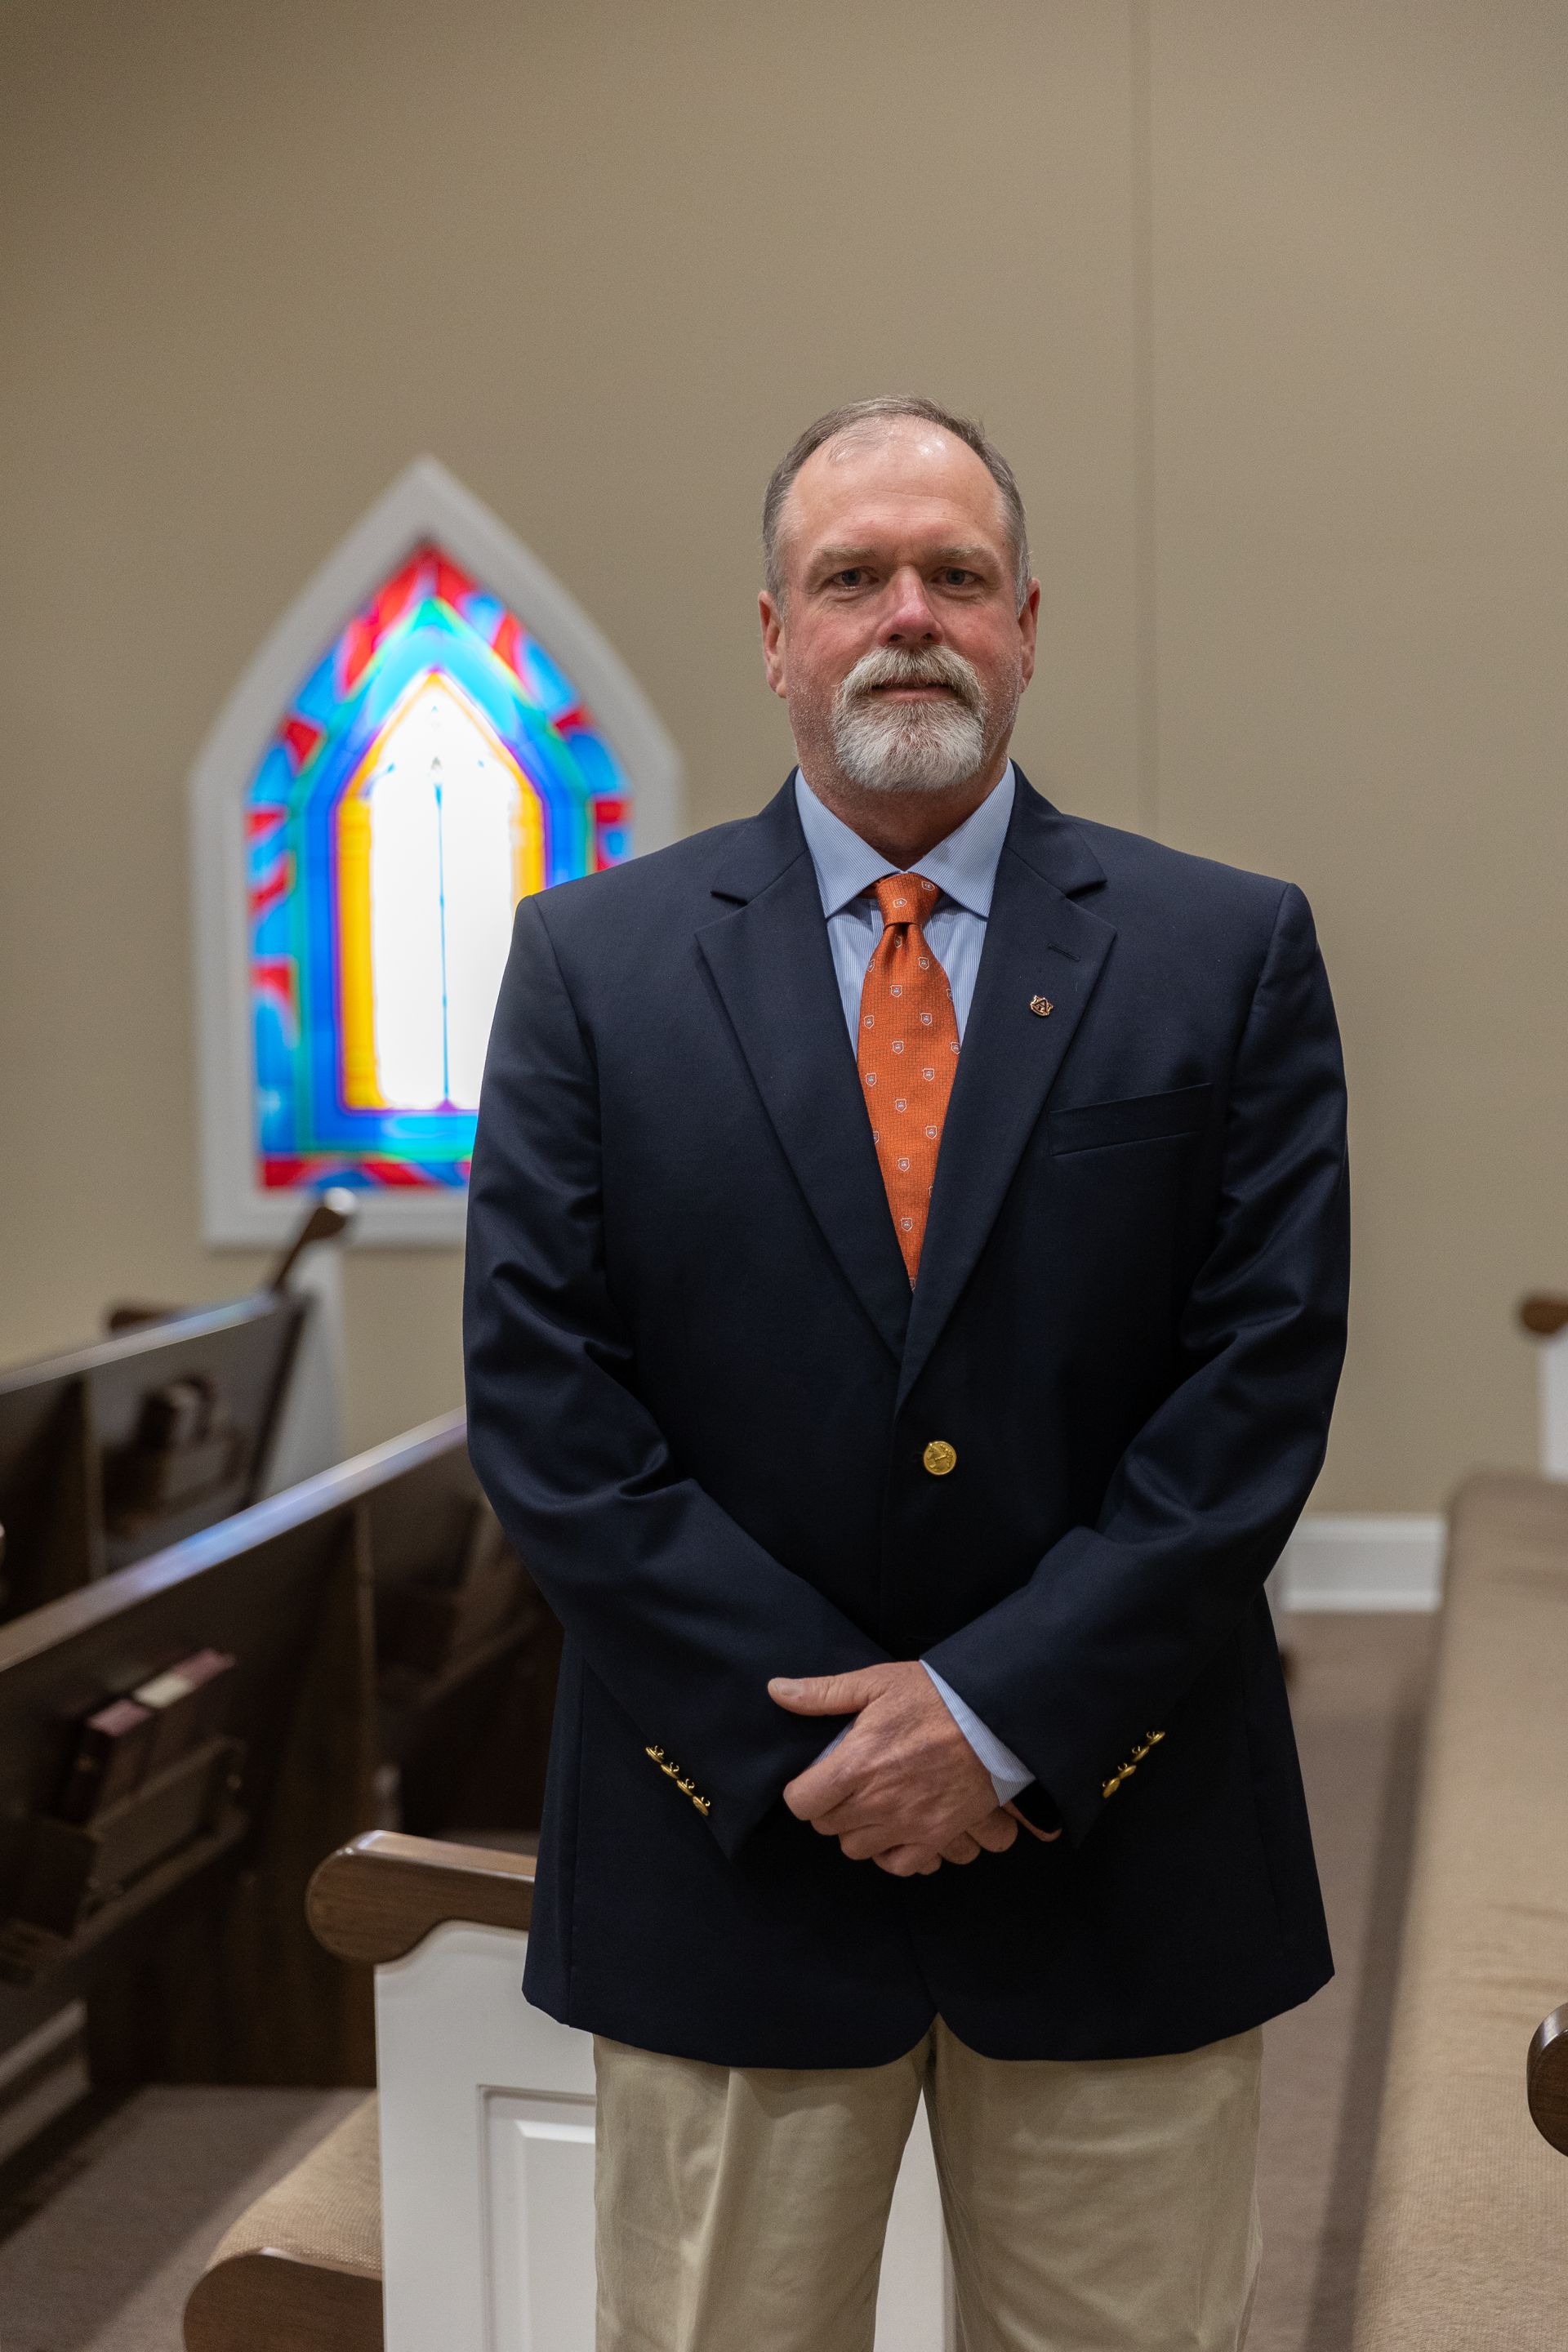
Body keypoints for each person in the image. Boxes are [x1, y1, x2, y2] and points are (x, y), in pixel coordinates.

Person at [464, 394, 1349, 2352]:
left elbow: (1257, 1388)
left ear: (1026, 620)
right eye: (850, 578)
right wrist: (827, 1748)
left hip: (1120, 1852)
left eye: (955, 575)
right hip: (730, 1866)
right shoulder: (591, 965)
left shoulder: (1228, 953)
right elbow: (546, 1404)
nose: (907, 616)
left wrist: (998, 1716)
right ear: (774, 633)